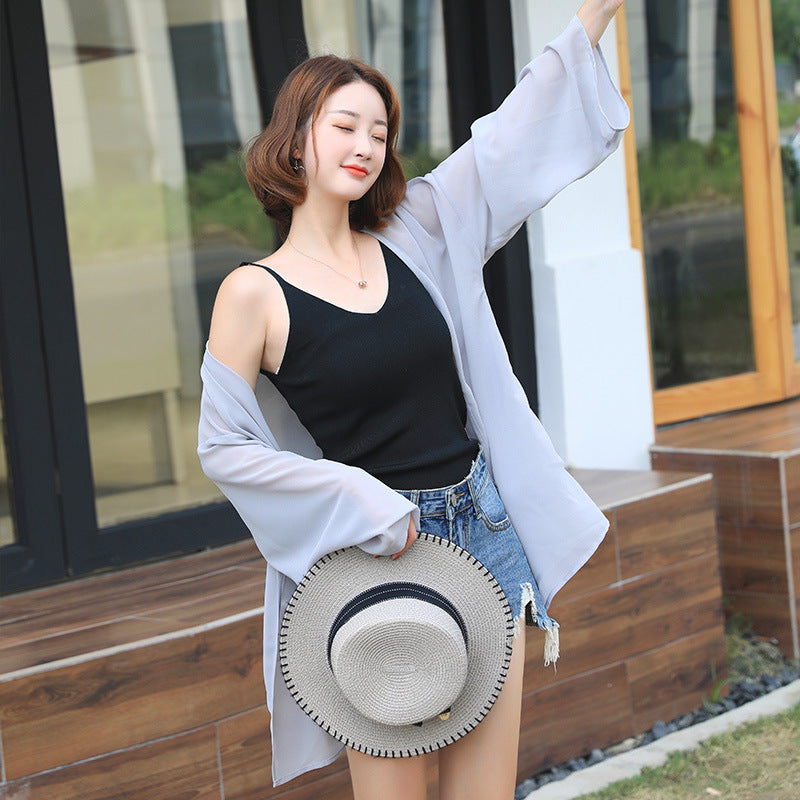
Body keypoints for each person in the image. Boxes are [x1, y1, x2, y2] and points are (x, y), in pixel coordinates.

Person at [198, 1, 628, 798]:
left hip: (485, 533)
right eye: (345, 126)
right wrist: (356, 496)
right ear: (295, 137)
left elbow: (503, 143)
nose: (366, 145)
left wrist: (592, 16)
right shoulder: (252, 293)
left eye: (380, 132)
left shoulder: (418, 228)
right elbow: (223, 447)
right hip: (376, 554)